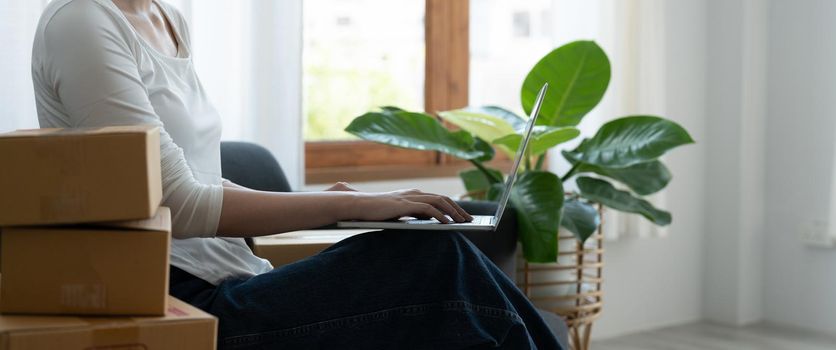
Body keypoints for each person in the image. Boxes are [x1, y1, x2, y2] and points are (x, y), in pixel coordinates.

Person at [31, 0, 562, 349]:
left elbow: (197, 175)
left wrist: (321, 198)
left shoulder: (167, 17)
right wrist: (347, 205)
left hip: (241, 274)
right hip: (177, 301)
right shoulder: (82, 23)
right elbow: (176, 201)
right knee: (434, 261)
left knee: (447, 265)